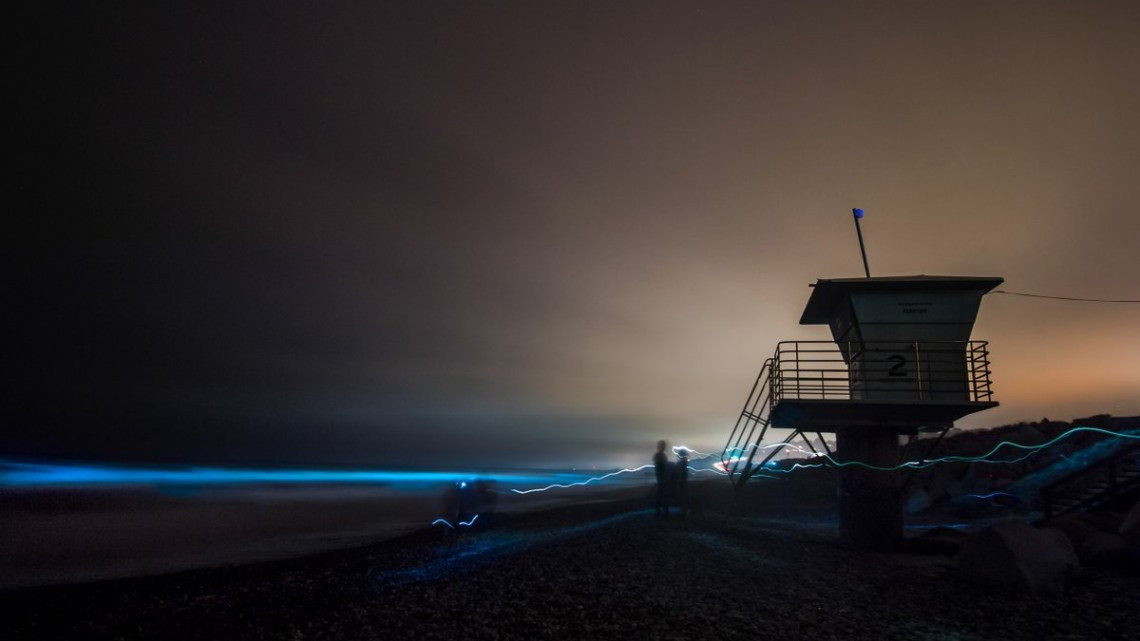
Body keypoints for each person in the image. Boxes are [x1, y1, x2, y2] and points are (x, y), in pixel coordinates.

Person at [653, 440, 673, 517]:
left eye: (664, 446)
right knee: (662, 495)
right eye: (663, 446)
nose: (664, 447)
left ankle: (661, 510)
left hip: (662, 478)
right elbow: (661, 467)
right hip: (662, 478)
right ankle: (662, 511)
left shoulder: (660, 455)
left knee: (661, 495)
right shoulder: (659, 455)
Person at [672, 447, 690, 519]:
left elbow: (677, 473)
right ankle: (684, 512)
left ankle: (683, 512)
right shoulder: (685, 463)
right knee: (684, 497)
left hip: (681, 482)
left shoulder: (680, 463)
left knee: (682, 497)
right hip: (683, 482)